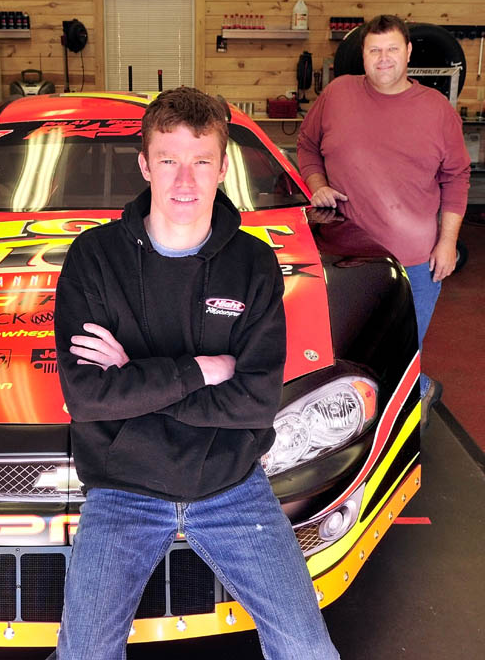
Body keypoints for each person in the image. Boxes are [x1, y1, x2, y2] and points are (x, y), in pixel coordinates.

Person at [51, 87, 338, 660]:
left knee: (308, 648)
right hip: (122, 486)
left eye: (201, 161)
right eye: (168, 160)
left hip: (230, 484)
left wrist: (132, 376)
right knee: (83, 653)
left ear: (223, 167)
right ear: (144, 165)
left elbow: (255, 403)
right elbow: (85, 397)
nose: (185, 181)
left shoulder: (253, 262)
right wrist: (200, 371)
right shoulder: (94, 257)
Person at [297, 14, 470, 409]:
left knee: (399, 354)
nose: (384, 59)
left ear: (408, 52)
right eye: (375, 50)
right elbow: (307, 145)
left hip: (416, 263)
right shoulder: (337, 94)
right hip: (347, 260)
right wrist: (317, 183)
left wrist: (448, 243)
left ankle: (416, 397)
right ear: (363, 54)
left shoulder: (436, 109)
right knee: (346, 354)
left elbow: (456, 179)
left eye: (392, 49)